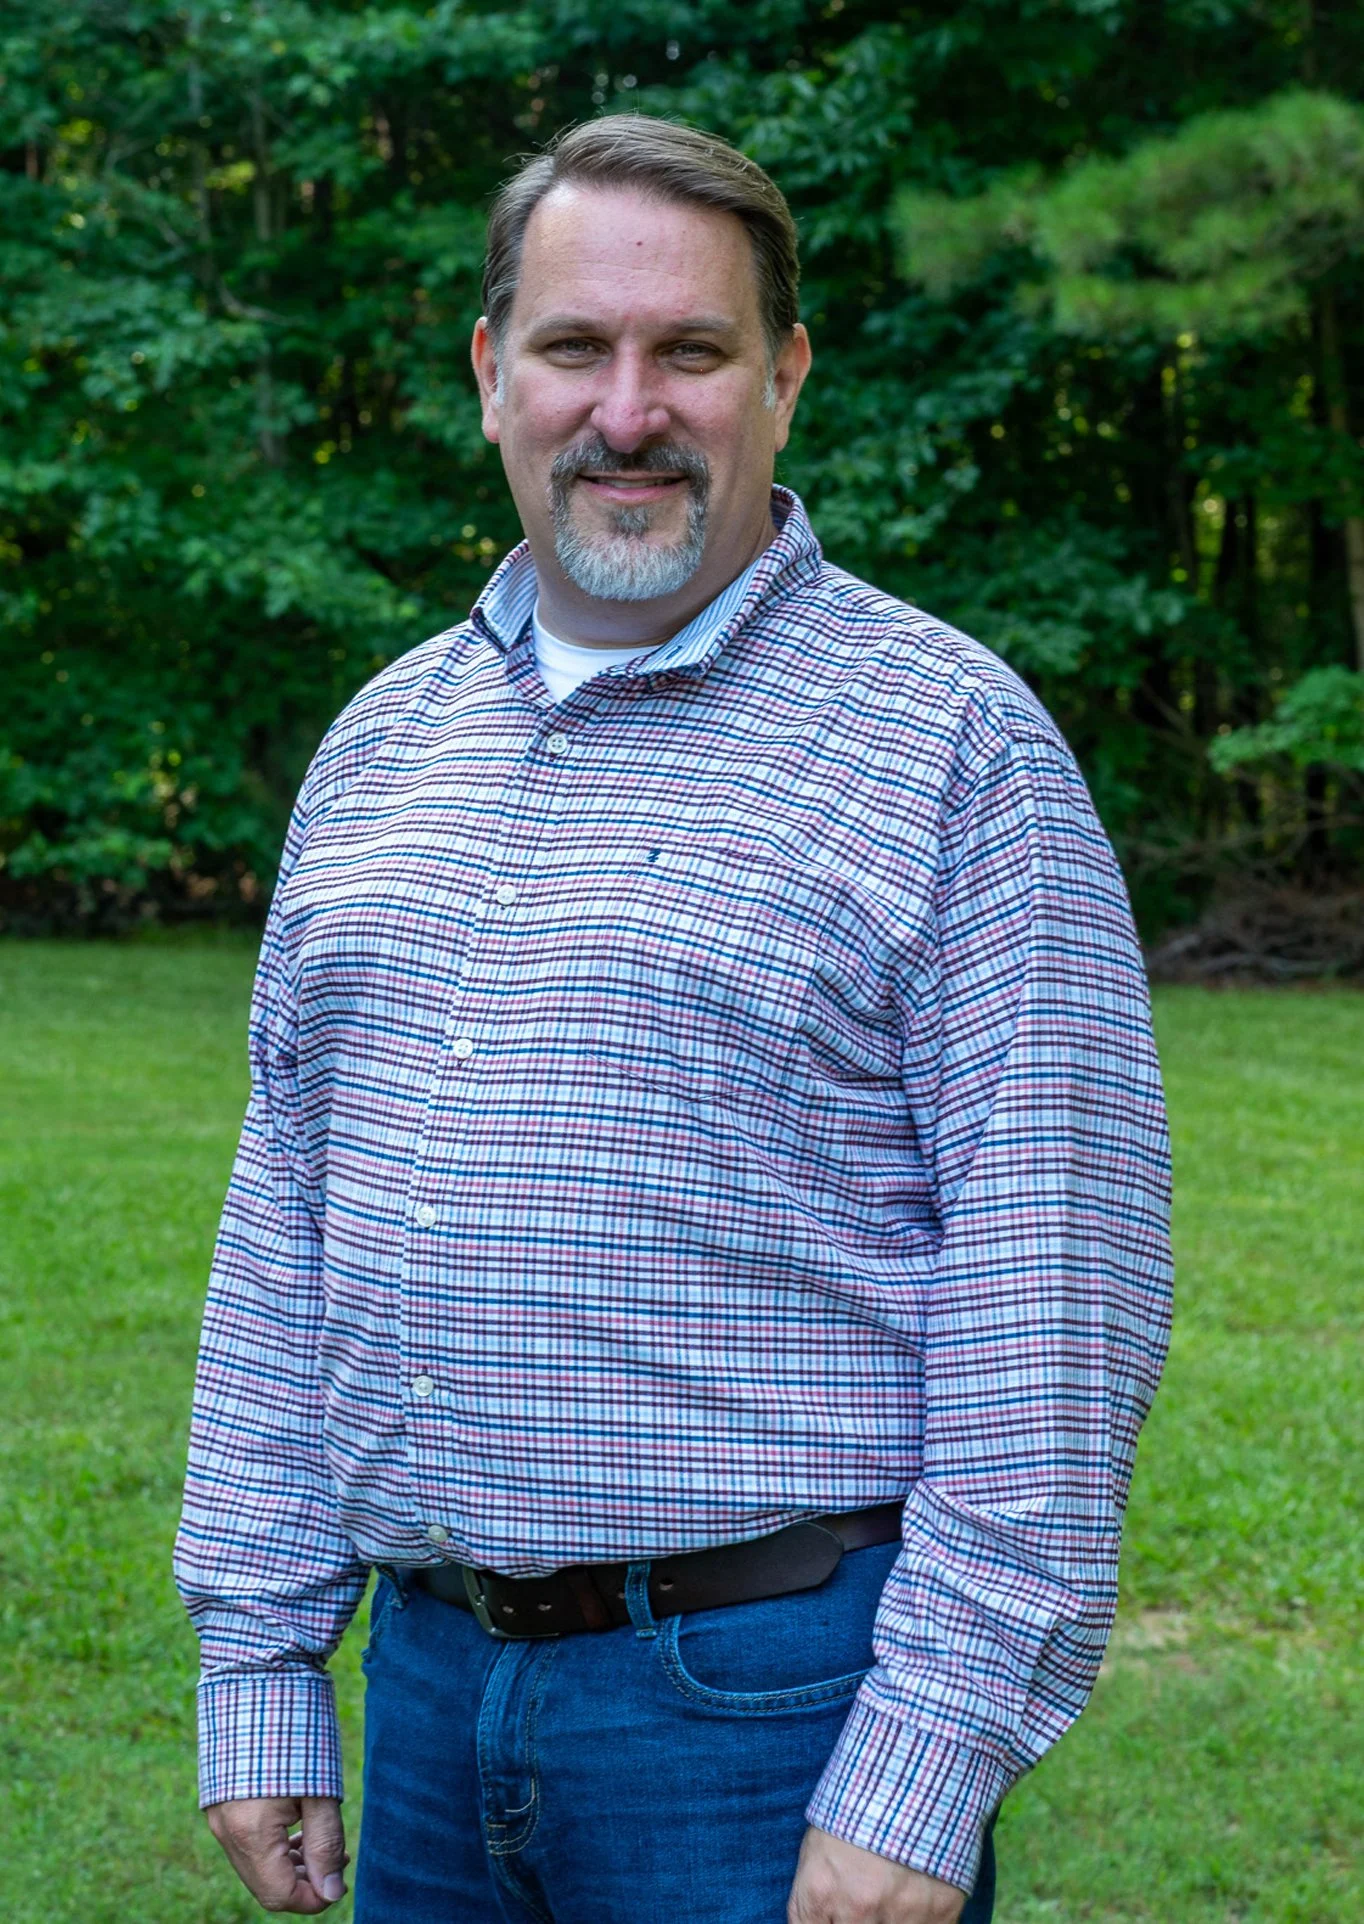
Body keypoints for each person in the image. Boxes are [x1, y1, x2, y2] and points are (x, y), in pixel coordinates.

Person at [174, 115, 1173, 1924]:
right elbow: (281, 1237)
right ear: (494, 376)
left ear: (783, 378)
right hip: (433, 1690)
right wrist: (257, 1664)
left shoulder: (952, 748)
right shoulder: (383, 745)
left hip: (766, 1720)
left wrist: (922, 1770)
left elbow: (1056, 1298)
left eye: (690, 353)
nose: (625, 411)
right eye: (574, 348)